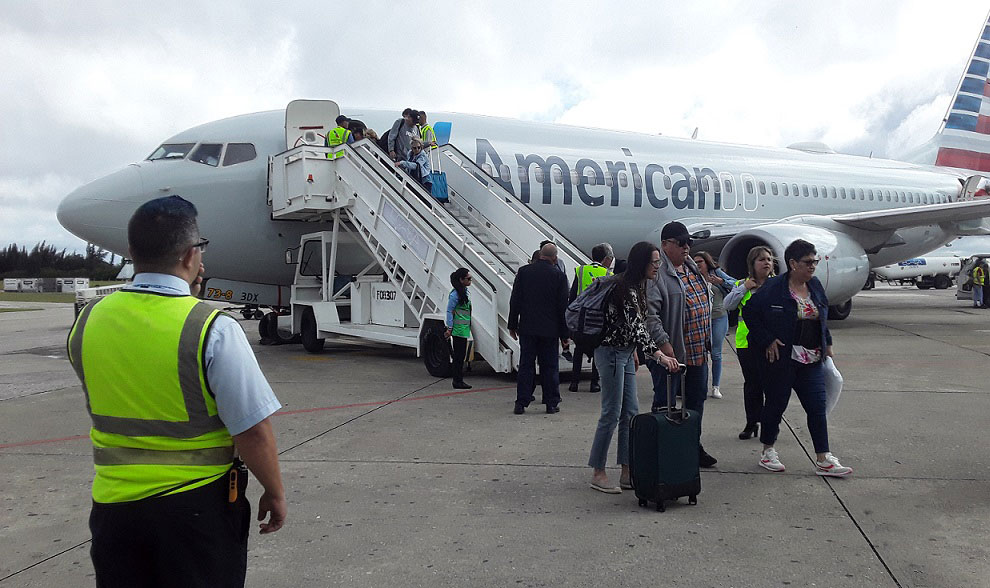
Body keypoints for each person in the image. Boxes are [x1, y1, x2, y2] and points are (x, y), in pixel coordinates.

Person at [67, 195, 286, 587]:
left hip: (114, 510)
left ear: (132, 252)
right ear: (190, 256)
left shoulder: (89, 321)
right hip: (195, 512)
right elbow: (252, 430)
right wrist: (274, 491)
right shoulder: (211, 328)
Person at [743, 239, 853, 477]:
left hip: (811, 358)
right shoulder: (773, 289)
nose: (812, 266)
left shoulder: (815, 286)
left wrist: (828, 344)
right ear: (792, 263)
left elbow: (822, 316)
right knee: (776, 403)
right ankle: (768, 449)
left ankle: (823, 458)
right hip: (782, 359)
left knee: (816, 406)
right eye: (807, 262)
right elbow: (750, 313)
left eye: (815, 262)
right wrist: (767, 339)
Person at [588, 242, 680, 493]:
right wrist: (659, 355)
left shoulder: (639, 286)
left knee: (630, 412)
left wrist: (636, 353)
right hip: (612, 354)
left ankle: (627, 471)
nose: (657, 266)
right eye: (654, 262)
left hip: (625, 354)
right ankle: (598, 472)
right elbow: (638, 327)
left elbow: (634, 327)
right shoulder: (625, 288)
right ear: (642, 263)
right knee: (611, 412)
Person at [645, 221, 717, 468]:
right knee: (665, 404)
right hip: (672, 354)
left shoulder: (690, 267)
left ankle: (691, 446)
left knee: (696, 403)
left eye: (689, 243)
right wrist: (664, 344)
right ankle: (662, 452)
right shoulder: (656, 273)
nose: (687, 247)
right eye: (681, 243)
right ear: (665, 245)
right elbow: (650, 315)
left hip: (697, 352)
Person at [508, 243, 570, 414]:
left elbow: (515, 301)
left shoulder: (524, 272)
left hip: (527, 328)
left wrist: (512, 325)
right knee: (550, 366)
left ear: (539, 255)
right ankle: (551, 403)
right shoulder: (559, 276)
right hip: (550, 330)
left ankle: (521, 403)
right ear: (555, 258)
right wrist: (565, 335)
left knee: (526, 365)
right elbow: (562, 308)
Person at [724, 246, 775, 440]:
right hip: (746, 343)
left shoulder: (777, 285)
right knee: (752, 385)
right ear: (752, 264)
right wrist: (745, 288)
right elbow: (728, 304)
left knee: (770, 385)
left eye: (769, 259)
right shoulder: (741, 284)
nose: (767, 263)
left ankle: (770, 422)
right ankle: (752, 422)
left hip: (770, 343)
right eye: (761, 259)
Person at [567, 242, 614, 392]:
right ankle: (594, 383)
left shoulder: (581, 271)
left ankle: (574, 383)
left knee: (578, 350)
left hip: (581, 317)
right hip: (598, 318)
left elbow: (572, 295)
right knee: (597, 350)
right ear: (606, 259)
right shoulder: (608, 275)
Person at [693, 251, 735, 399]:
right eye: (695, 262)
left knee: (716, 352)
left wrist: (721, 282)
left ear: (707, 262)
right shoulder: (693, 277)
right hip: (701, 318)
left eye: (700, 262)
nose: (697, 265)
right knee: (702, 353)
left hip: (718, 317)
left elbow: (736, 284)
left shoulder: (716, 273)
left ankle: (715, 386)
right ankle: (701, 385)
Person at [445, 268, 473, 390]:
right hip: (458, 329)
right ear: (461, 280)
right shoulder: (455, 295)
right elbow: (449, 311)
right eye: (468, 279)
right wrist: (449, 328)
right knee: (458, 356)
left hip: (463, 328)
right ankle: (457, 380)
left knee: (460, 356)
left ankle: (458, 380)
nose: (470, 281)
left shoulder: (463, 292)